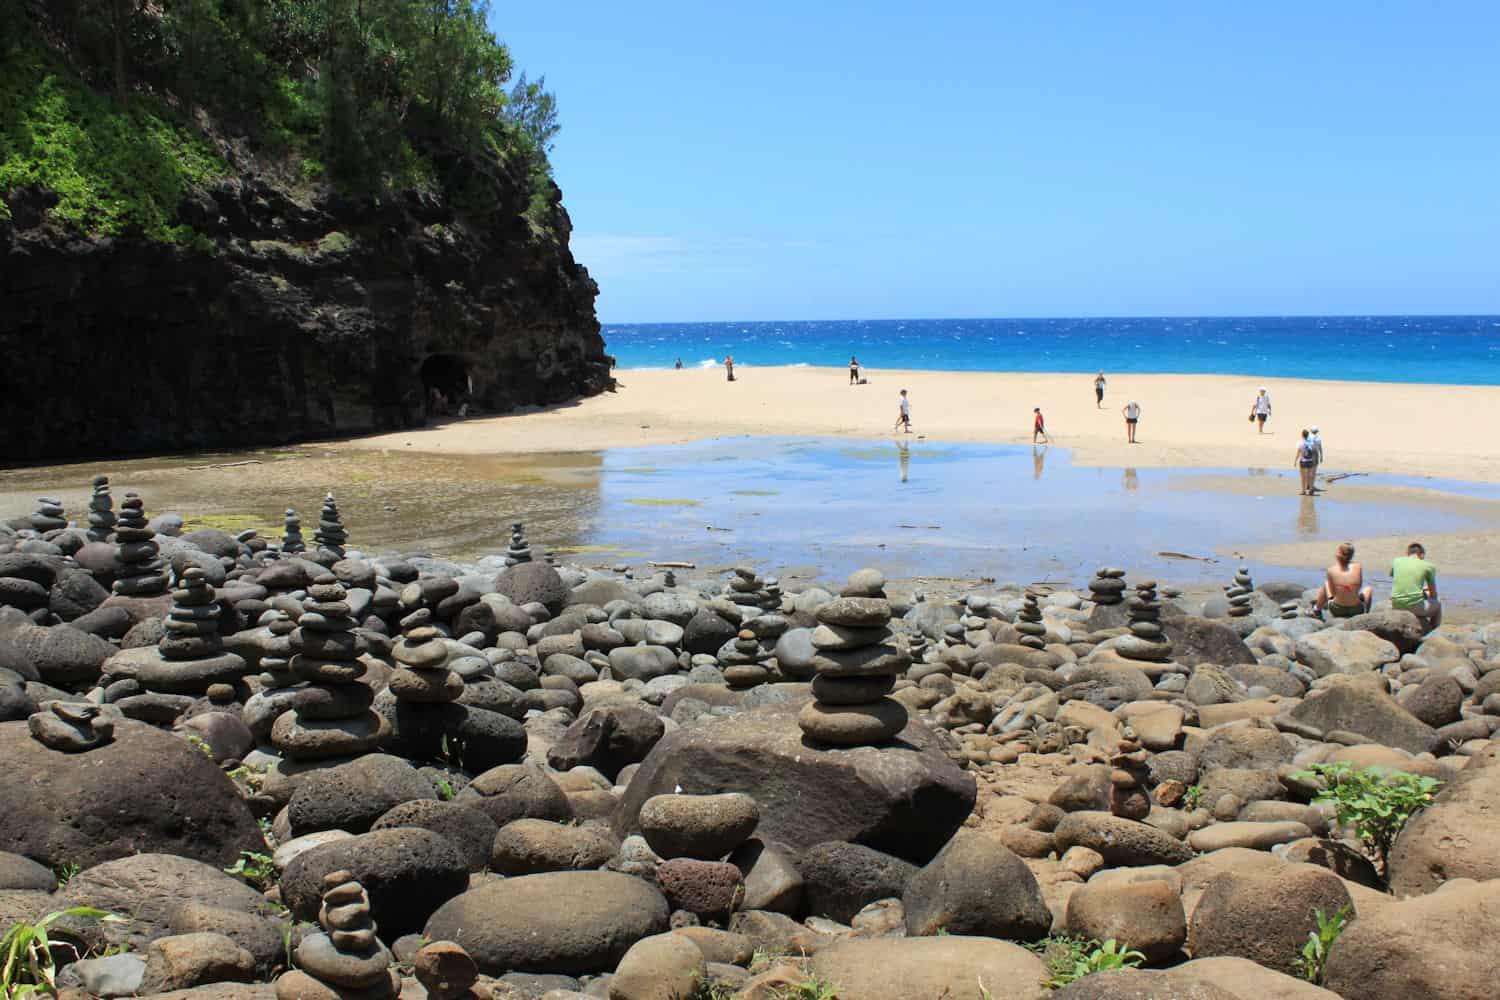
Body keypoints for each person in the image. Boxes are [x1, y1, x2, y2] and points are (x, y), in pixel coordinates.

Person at [1390, 542, 1441, 631]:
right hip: (1415, 607)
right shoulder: (1428, 566)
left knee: (1424, 593)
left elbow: (1400, 579)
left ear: (1408, 553)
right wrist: (1431, 597)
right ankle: (1432, 631)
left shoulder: (1396, 561)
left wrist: (1421, 590)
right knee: (1438, 603)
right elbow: (1433, 593)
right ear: (1422, 554)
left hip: (1396, 604)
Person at [1316, 541, 1373, 618]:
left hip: (1337, 610)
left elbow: (1333, 593)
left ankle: (1317, 610)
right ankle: (1366, 614)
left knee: (1326, 584)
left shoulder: (1331, 570)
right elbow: (1359, 587)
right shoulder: (1358, 567)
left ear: (1338, 554)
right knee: (1368, 589)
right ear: (1351, 555)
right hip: (1357, 610)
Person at [1295, 429, 1318, 495]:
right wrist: (1314, 460)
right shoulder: (1311, 442)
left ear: (1302, 435)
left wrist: (1295, 461)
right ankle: (1310, 490)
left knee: (1303, 477)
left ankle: (1303, 491)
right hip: (1310, 461)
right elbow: (1314, 452)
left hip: (1303, 461)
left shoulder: (1300, 443)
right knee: (1310, 476)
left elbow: (1298, 452)